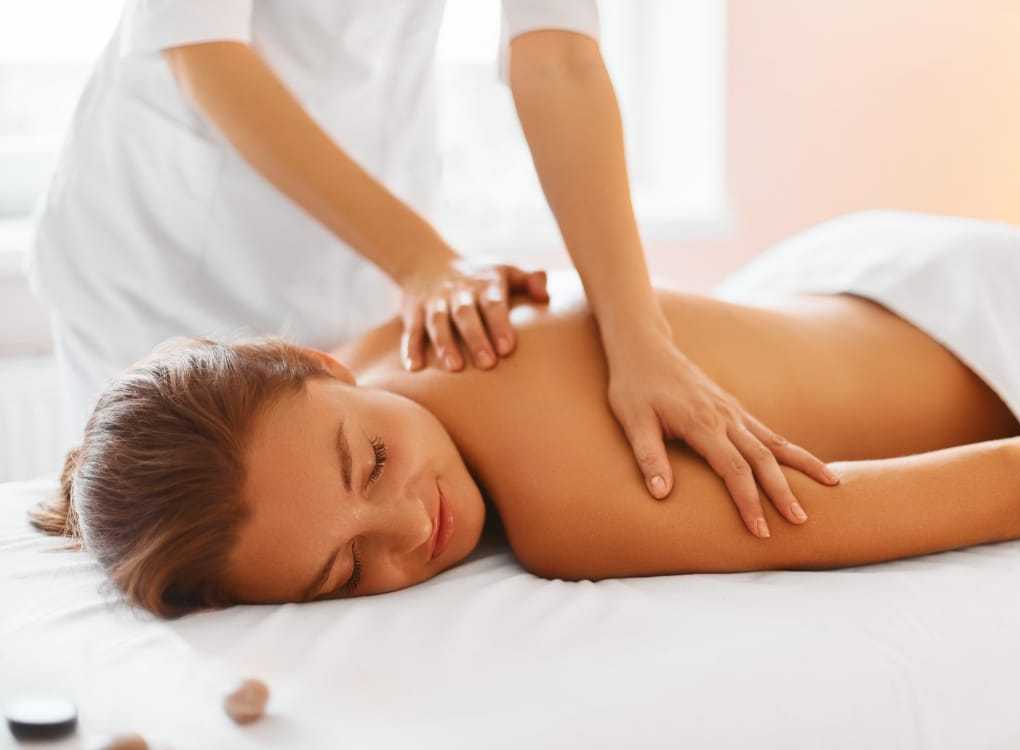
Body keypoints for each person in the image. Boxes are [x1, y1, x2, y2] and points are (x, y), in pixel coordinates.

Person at [28, 210, 1020, 617]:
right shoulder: (406, 335)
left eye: (369, 466)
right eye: (344, 575)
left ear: (320, 363)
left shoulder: (577, 515)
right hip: (854, 258)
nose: (409, 530)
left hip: (1001, 335)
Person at [23, 0, 830, 515]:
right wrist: (422, 261)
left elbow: (557, 59)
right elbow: (205, 53)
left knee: (325, 536)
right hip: (161, 247)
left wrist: (641, 339)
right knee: (168, 540)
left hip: (350, 242)